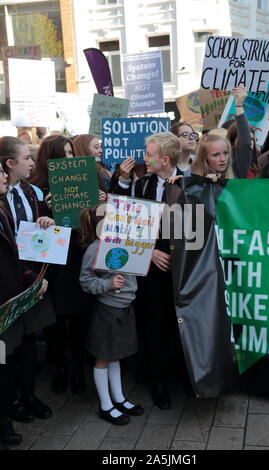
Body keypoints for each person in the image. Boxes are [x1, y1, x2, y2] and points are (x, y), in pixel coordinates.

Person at [115, 132, 187, 409]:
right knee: (155, 326)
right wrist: (149, 252)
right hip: (152, 272)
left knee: (180, 327)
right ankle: (158, 381)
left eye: (148, 154)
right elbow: (127, 224)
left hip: (183, 272)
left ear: (164, 159)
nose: (144, 158)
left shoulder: (189, 183)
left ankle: (184, 375)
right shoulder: (143, 184)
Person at [0, 136, 55, 423]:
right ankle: (11, 403)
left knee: (31, 338)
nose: (33, 163)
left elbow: (38, 229)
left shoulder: (31, 192)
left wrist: (46, 221)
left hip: (36, 276)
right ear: (10, 164)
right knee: (11, 346)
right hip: (12, 280)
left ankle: (29, 395)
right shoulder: (2, 197)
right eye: (27, 158)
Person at [29, 134, 89, 393]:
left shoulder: (81, 180)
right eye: (64, 154)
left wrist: (95, 204)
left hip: (76, 256)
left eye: (71, 153)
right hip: (53, 263)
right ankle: (61, 367)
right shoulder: (37, 190)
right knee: (55, 319)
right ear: (51, 158)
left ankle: (77, 367)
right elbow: (30, 236)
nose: (70, 158)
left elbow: (90, 225)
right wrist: (46, 215)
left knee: (78, 316)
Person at [79, 204, 144, 425]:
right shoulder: (95, 249)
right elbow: (86, 280)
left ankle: (119, 398)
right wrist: (107, 284)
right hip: (108, 309)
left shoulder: (125, 243)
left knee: (115, 355)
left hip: (125, 307)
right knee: (104, 357)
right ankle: (105, 405)